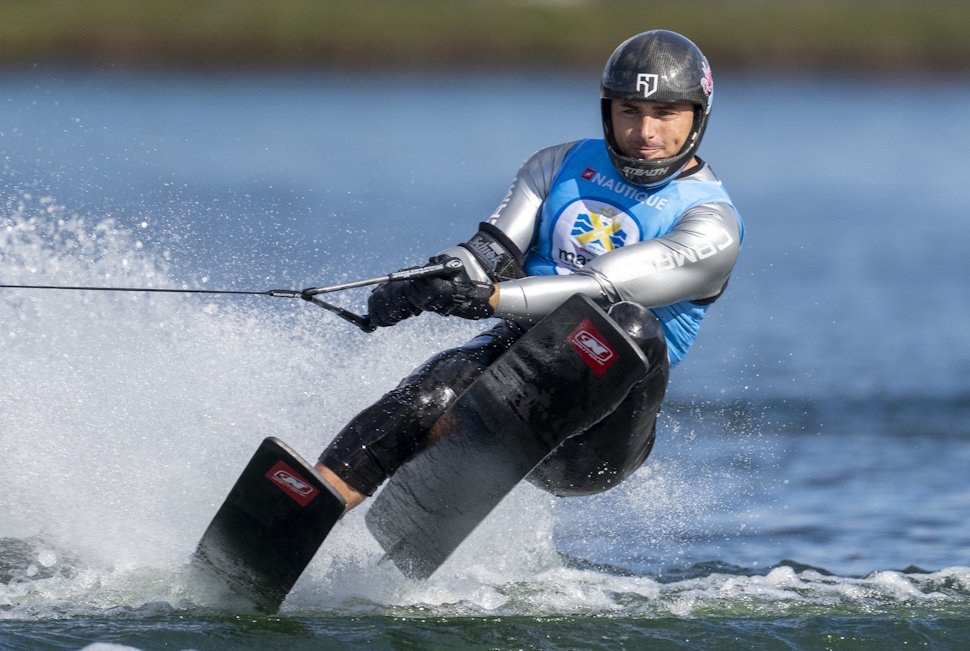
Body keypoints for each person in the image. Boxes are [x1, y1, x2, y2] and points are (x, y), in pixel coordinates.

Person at [314, 29, 743, 511]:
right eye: (630, 111)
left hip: (592, 442)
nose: (645, 133)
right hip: (512, 378)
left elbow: (598, 289)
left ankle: (470, 439)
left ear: (697, 118)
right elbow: (487, 253)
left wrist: (489, 298)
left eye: (665, 114)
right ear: (608, 111)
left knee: (629, 325)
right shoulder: (558, 164)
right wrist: (425, 282)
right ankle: (310, 501)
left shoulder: (711, 225)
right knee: (439, 385)